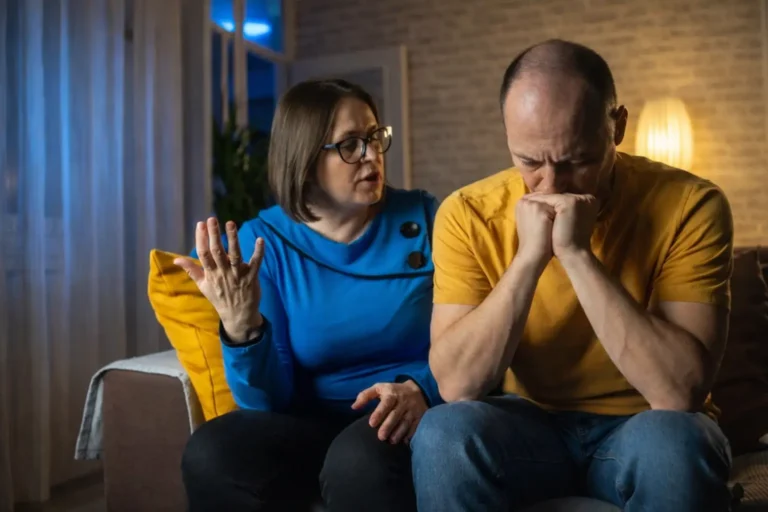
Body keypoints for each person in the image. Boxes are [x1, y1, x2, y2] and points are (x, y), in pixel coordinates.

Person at [411, 39, 733, 512]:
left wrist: (577, 255)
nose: (551, 187)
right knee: (442, 432)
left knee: (676, 444)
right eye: (529, 162)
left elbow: (679, 391)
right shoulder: (467, 213)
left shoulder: (692, 206)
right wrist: (529, 259)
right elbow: (457, 385)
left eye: (576, 161)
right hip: (529, 428)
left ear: (617, 126)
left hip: (646, 424)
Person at [176, 78, 441, 512]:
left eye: (375, 138)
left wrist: (424, 389)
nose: (373, 155)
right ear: (304, 159)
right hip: (308, 422)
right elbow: (265, 404)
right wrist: (242, 327)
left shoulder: (425, 218)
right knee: (210, 452)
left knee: (357, 461)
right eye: (351, 144)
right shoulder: (265, 243)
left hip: (402, 407)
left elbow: (468, 331)